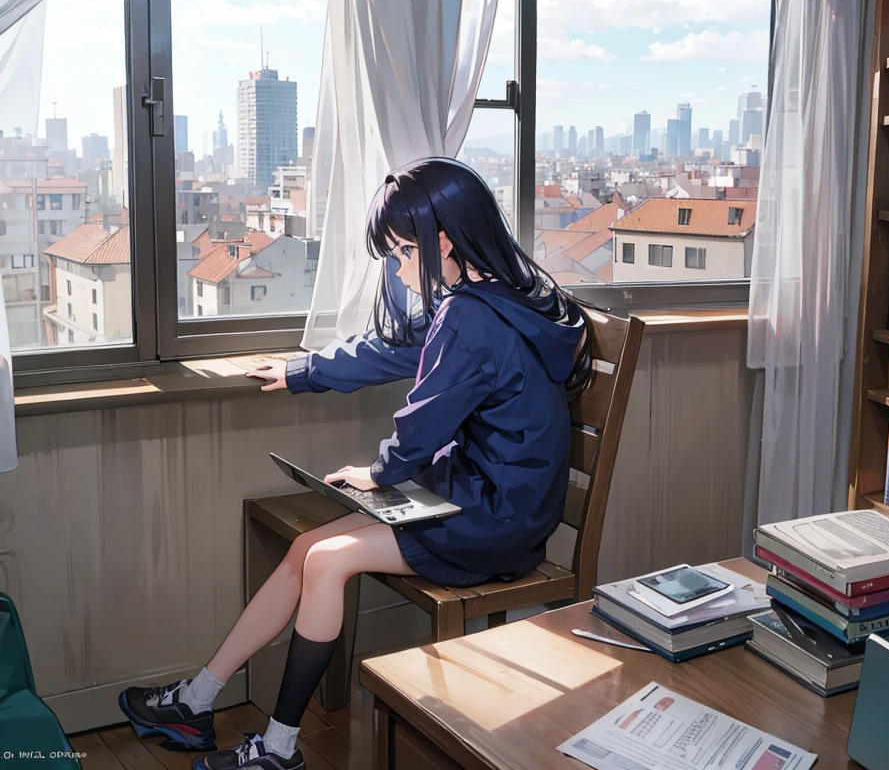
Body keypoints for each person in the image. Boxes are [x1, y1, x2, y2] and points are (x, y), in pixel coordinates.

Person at [119, 157, 590, 770]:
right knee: (306, 549)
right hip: (483, 498)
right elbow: (400, 354)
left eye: (400, 251)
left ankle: (280, 750)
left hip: (495, 521)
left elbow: (423, 422)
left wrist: (380, 474)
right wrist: (302, 372)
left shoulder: (471, 314)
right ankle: (196, 700)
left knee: (326, 558)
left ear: (441, 241)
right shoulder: (498, 299)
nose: (397, 266)